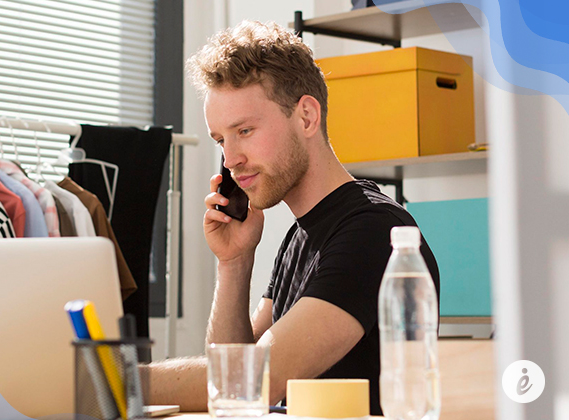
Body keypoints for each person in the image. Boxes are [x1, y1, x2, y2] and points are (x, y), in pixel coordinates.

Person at [142, 20, 440, 416]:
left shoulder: (374, 231)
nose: (230, 160)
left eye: (244, 130)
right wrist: (234, 263)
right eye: (220, 140)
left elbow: (256, 381)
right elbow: (235, 381)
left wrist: (114, 379)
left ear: (306, 117)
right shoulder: (302, 236)